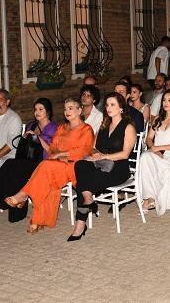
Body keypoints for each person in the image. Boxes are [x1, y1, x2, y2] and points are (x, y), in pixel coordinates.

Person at [5, 98, 94, 232]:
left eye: (70, 108)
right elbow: (52, 147)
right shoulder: (62, 128)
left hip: (74, 166)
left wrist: (60, 154)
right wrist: (57, 154)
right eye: (65, 109)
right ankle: (38, 219)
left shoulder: (86, 129)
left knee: (45, 166)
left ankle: (23, 195)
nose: (67, 111)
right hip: (58, 164)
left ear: (79, 110)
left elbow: (83, 151)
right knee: (46, 178)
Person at [68, 93, 137, 241]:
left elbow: (125, 154)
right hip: (100, 164)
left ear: (121, 107)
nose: (108, 108)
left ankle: (80, 224)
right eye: (107, 105)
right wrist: (95, 154)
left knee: (84, 181)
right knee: (80, 164)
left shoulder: (128, 127)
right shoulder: (104, 125)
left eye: (112, 104)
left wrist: (103, 156)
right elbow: (93, 148)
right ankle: (88, 196)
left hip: (118, 168)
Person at [0, 98, 57, 221]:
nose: (37, 112)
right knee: (10, 165)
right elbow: (23, 145)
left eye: (40, 109)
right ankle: (9, 206)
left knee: (15, 167)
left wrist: (38, 137)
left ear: (48, 111)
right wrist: (24, 137)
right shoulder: (31, 125)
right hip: (27, 159)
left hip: (43, 163)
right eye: (35, 109)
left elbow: (52, 151)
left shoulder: (53, 128)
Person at [139, 90, 170, 215]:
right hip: (156, 153)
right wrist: (154, 148)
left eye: (169, 100)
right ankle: (149, 198)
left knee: (146, 159)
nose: (166, 102)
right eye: (164, 100)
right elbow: (149, 138)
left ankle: (148, 199)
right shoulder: (157, 119)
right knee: (144, 157)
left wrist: (159, 148)